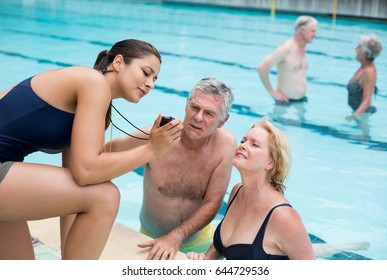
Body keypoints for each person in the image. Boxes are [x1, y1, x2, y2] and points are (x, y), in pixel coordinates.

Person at [0, 39, 183, 260]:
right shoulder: (92, 82)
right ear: (118, 62)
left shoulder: (93, 100)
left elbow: (74, 183)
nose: (150, 84)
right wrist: (152, 150)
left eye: (154, 79)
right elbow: (86, 171)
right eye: (146, 72)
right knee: (105, 195)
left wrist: (68, 255)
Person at [111, 77, 236, 260]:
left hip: (200, 244)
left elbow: (213, 202)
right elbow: (108, 151)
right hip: (149, 239)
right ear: (186, 106)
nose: (198, 117)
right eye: (195, 107)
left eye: (209, 113)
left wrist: (175, 237)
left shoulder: (225, 145)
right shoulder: (156, 136)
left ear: (222, 121)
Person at [187, 118, 315, 260]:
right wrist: (200, 259)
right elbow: (217, 251)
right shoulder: (237, 193)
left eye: (254, 144)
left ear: (270, 163)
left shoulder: (283, 217)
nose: (243, 145)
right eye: (243, 141)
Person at [257, 16, 317, 120]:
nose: (315, 35)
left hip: (300, 101)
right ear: (302, 30)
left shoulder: (302, 47)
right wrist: (273, 92)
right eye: (313, 31)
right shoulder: (286, 49)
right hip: (284, 104)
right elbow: (262, 68)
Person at [346, 34, 382, 122]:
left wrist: (354, 116)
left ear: (365, 52)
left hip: (363, 114)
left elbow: (367, 100)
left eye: (359, 47)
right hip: (358, 112)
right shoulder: (363, 67)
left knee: (363, 135)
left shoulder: (369, 71)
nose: (355, 49)